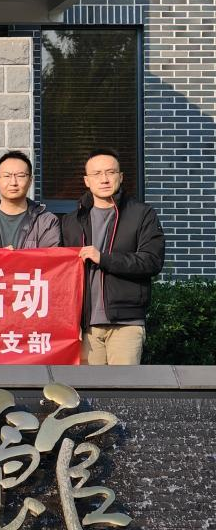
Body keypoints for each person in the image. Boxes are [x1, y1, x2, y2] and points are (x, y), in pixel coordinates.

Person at [60, 148, 165, 366]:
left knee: (123, 386)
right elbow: (58, 269)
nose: (104, 179)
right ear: (87, 180)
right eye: (97, 174)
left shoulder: (142, 214)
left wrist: (104, 258)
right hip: (84, 326)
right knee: (88, 387)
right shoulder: (72, 221)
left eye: (110, 172)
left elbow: (151, 261)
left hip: (126, 323)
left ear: (121, 176)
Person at [0, 151, 60, 249]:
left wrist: (8, 257)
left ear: (30, 181)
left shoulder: (46, 222)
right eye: (7, 176)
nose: (13, 182)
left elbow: (49, 258)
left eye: (20, 176)